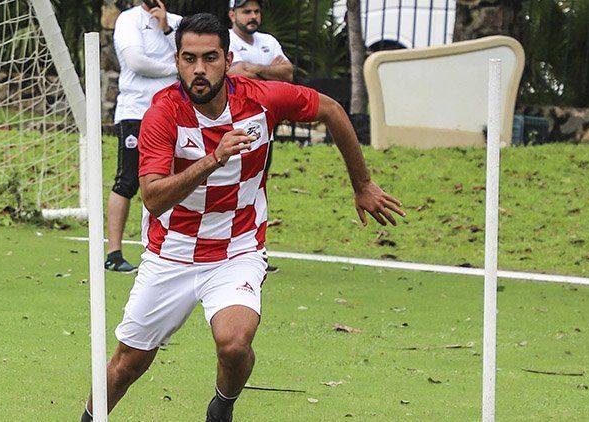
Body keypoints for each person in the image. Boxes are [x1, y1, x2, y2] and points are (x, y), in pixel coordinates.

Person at [80, 13, 405, 422]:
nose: (199, 69)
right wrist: (213, 159)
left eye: (210, 58)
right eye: (188, 58)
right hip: (171, 253)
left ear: (227, 59)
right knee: (128, 363)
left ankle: (222, 409)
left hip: (237, 250)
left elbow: (333, 110)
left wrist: (363, 184)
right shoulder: (162, 114)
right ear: (177, 61)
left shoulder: (261, 99)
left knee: (234, 345)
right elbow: (154, 198)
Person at [105, 0, 182, 273]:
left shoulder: (178, 23)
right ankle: (113, 254)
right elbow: (136, 63)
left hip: (173, 113)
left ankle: (163, 251)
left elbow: (190, 58)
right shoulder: (128, 20)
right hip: (136, 112)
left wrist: (167, 30)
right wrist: (174, 69)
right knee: (127, 180)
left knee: (170, 181)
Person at [227, 0, 294, 273]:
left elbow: (288, 74)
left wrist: (255, 69)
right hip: (236, 125)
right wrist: (266, 71)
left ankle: (255, 251)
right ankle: (230, 251)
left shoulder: (268, 40)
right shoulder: (225, 40)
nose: (253, 16)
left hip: (265, 127)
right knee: (233, 188)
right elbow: (236, 73)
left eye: (256, 11)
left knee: (258, 188)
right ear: (232, 15)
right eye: (246, 12)